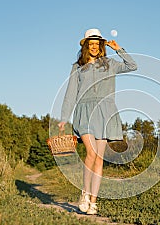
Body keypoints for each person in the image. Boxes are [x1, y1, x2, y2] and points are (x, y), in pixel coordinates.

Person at [58, 28, 137, 215]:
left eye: (97, 44)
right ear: (86, 46)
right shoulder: (78, 67)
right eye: (91, 44)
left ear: (101, 46)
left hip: (105, 112)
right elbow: (70, 93)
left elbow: (133, 66)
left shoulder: (110, 64)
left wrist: (119, 49)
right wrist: (64, 117)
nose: (94, 47)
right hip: (84, 111)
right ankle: (84, 194)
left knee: (99, 158)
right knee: (91, 153)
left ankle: (93, 201)